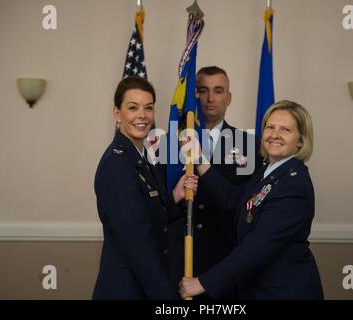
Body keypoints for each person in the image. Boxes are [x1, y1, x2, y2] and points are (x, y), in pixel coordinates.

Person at [178, 100, 324, 300]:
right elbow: (234, 199)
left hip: (284, 292)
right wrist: (200, 160)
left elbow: (258, 247)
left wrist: (203, 283)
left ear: (300, 140)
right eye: (270, 127)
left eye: (285, 130)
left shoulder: (293, 184)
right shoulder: (268, 172)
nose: (274, 135)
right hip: (259, 289)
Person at [92, 76, 198, 300]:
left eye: (148, 108)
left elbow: (151, 217)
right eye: (133, 107)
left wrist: (175, 197)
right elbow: (136, 240)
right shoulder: (117, 165)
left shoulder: (143, 160)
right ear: (117, 114)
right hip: (127, 289)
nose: (142, 115)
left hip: (143, 285)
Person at [188, 67, 263, 297]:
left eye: (218, 91)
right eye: (203, 90)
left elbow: (250, 204)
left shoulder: (250, 144)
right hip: (184, 258)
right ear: (195, 95)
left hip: (226, 258)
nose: (210, 98)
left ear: (228, 97)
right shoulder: (173, 141)